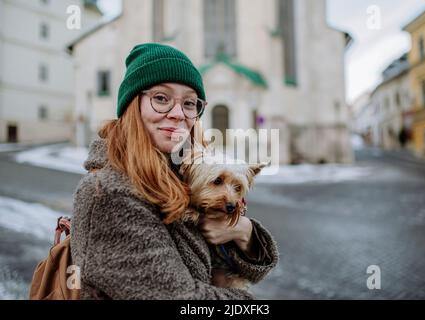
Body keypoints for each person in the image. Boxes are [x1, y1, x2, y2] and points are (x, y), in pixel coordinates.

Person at [71, 43, 279, 299]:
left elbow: (250, 270)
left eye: (190, 103)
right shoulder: (108, 195)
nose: (179, 113)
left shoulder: (182, 174)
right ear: (132, 106)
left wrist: (243, 231)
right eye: (161, 98)